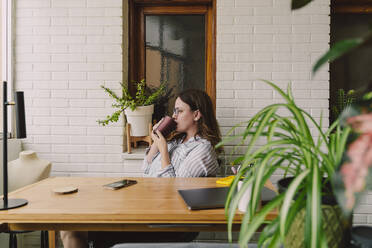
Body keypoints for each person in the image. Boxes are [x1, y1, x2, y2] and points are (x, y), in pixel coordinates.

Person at [60, 89, 222, 248]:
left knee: (84, 231)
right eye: (174, 111)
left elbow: (173, 190)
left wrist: (163, 150)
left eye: (179, 111)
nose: (173, 116)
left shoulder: (203, 150)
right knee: (69, 229)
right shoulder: (176, 142)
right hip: (151, 210)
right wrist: (156, 141)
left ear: (196, 114)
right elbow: (146, 170)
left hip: (173, 223)